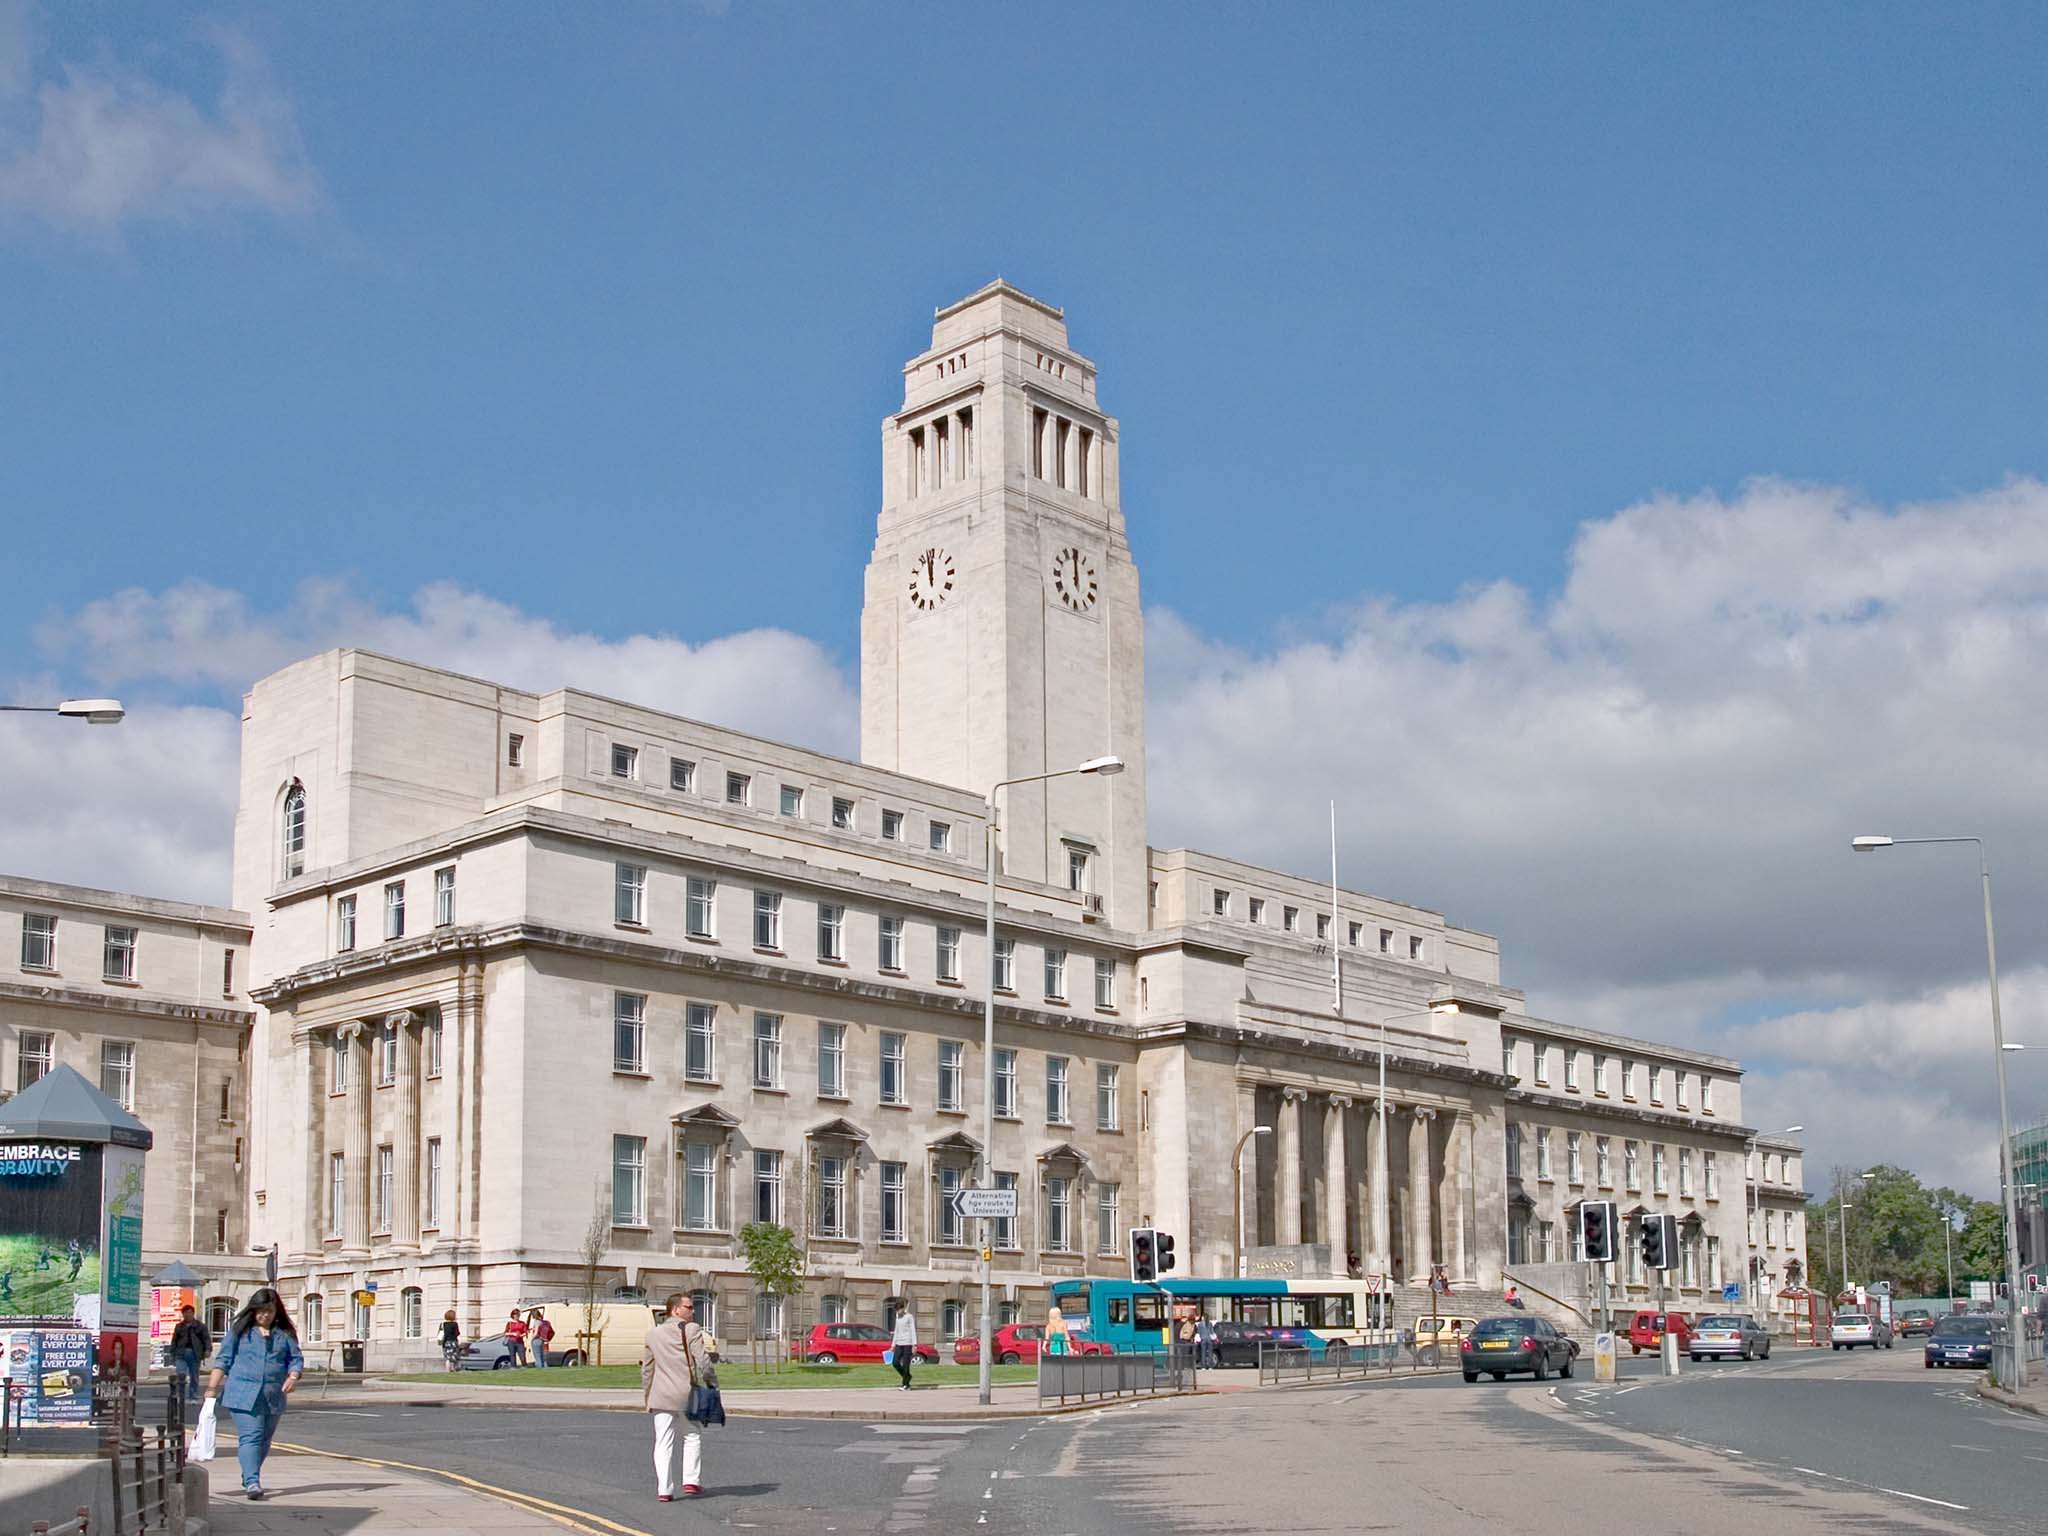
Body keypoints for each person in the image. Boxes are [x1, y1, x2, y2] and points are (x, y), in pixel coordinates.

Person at [204, 1288, 303, 1501]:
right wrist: (212, 1388)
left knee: (264, 1440)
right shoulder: (240, 1332)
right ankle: (252, 1482)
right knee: (251, 1436)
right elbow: (223, 1360)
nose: (264, 1315)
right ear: (253, 1310)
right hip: (242, 1394)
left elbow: (295, 1359)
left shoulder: (284, 1334)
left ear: (276, 1311)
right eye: (260, 1311)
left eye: (269, 1311)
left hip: (272, 1395)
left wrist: (293, 1377)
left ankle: (249, 1474)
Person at [642, 1292, 717, 1499]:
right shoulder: (692, 1330)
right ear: (675, 1309)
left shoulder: (652, 1334)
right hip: (686, 1394)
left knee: (662, 1442)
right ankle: (691, 1480)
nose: (692, 1311)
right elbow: (703, 1361)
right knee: (692, 1436)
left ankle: (664, 1489)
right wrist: (712, 1383)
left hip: (660, 1395)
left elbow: (648, 1370)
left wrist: (647, 1396)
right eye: (689, 1307)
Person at [170, 1304, 211, 1405]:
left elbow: (206, 1339)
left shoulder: (200, 1326)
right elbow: (174, 1340)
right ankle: (181, 1396)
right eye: (185, 1313)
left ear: (193, 1313)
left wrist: (207, 1349)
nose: (188, 1315)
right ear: (183, 1314)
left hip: (195, 1353)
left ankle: (193, 1396)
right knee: (181, 1375)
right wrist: (172, 1353)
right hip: (181, 1353)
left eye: (190, 1313)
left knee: (194, 1376)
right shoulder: (179, 1326)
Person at [890, 1304, 918, 1390]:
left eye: (899, 1309)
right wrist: (893, 1345)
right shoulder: (897, 1318)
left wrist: (914, 1344)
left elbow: (913, 1330)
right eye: (896, 1310)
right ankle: (907, 1377)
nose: (898, 1311)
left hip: (907, 1343)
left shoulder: (909, 1317)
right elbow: (896, 1331)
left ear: (903, 1308)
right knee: (895, 1362)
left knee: (906, 1364)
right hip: (899, 1343)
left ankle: (905, 1384)